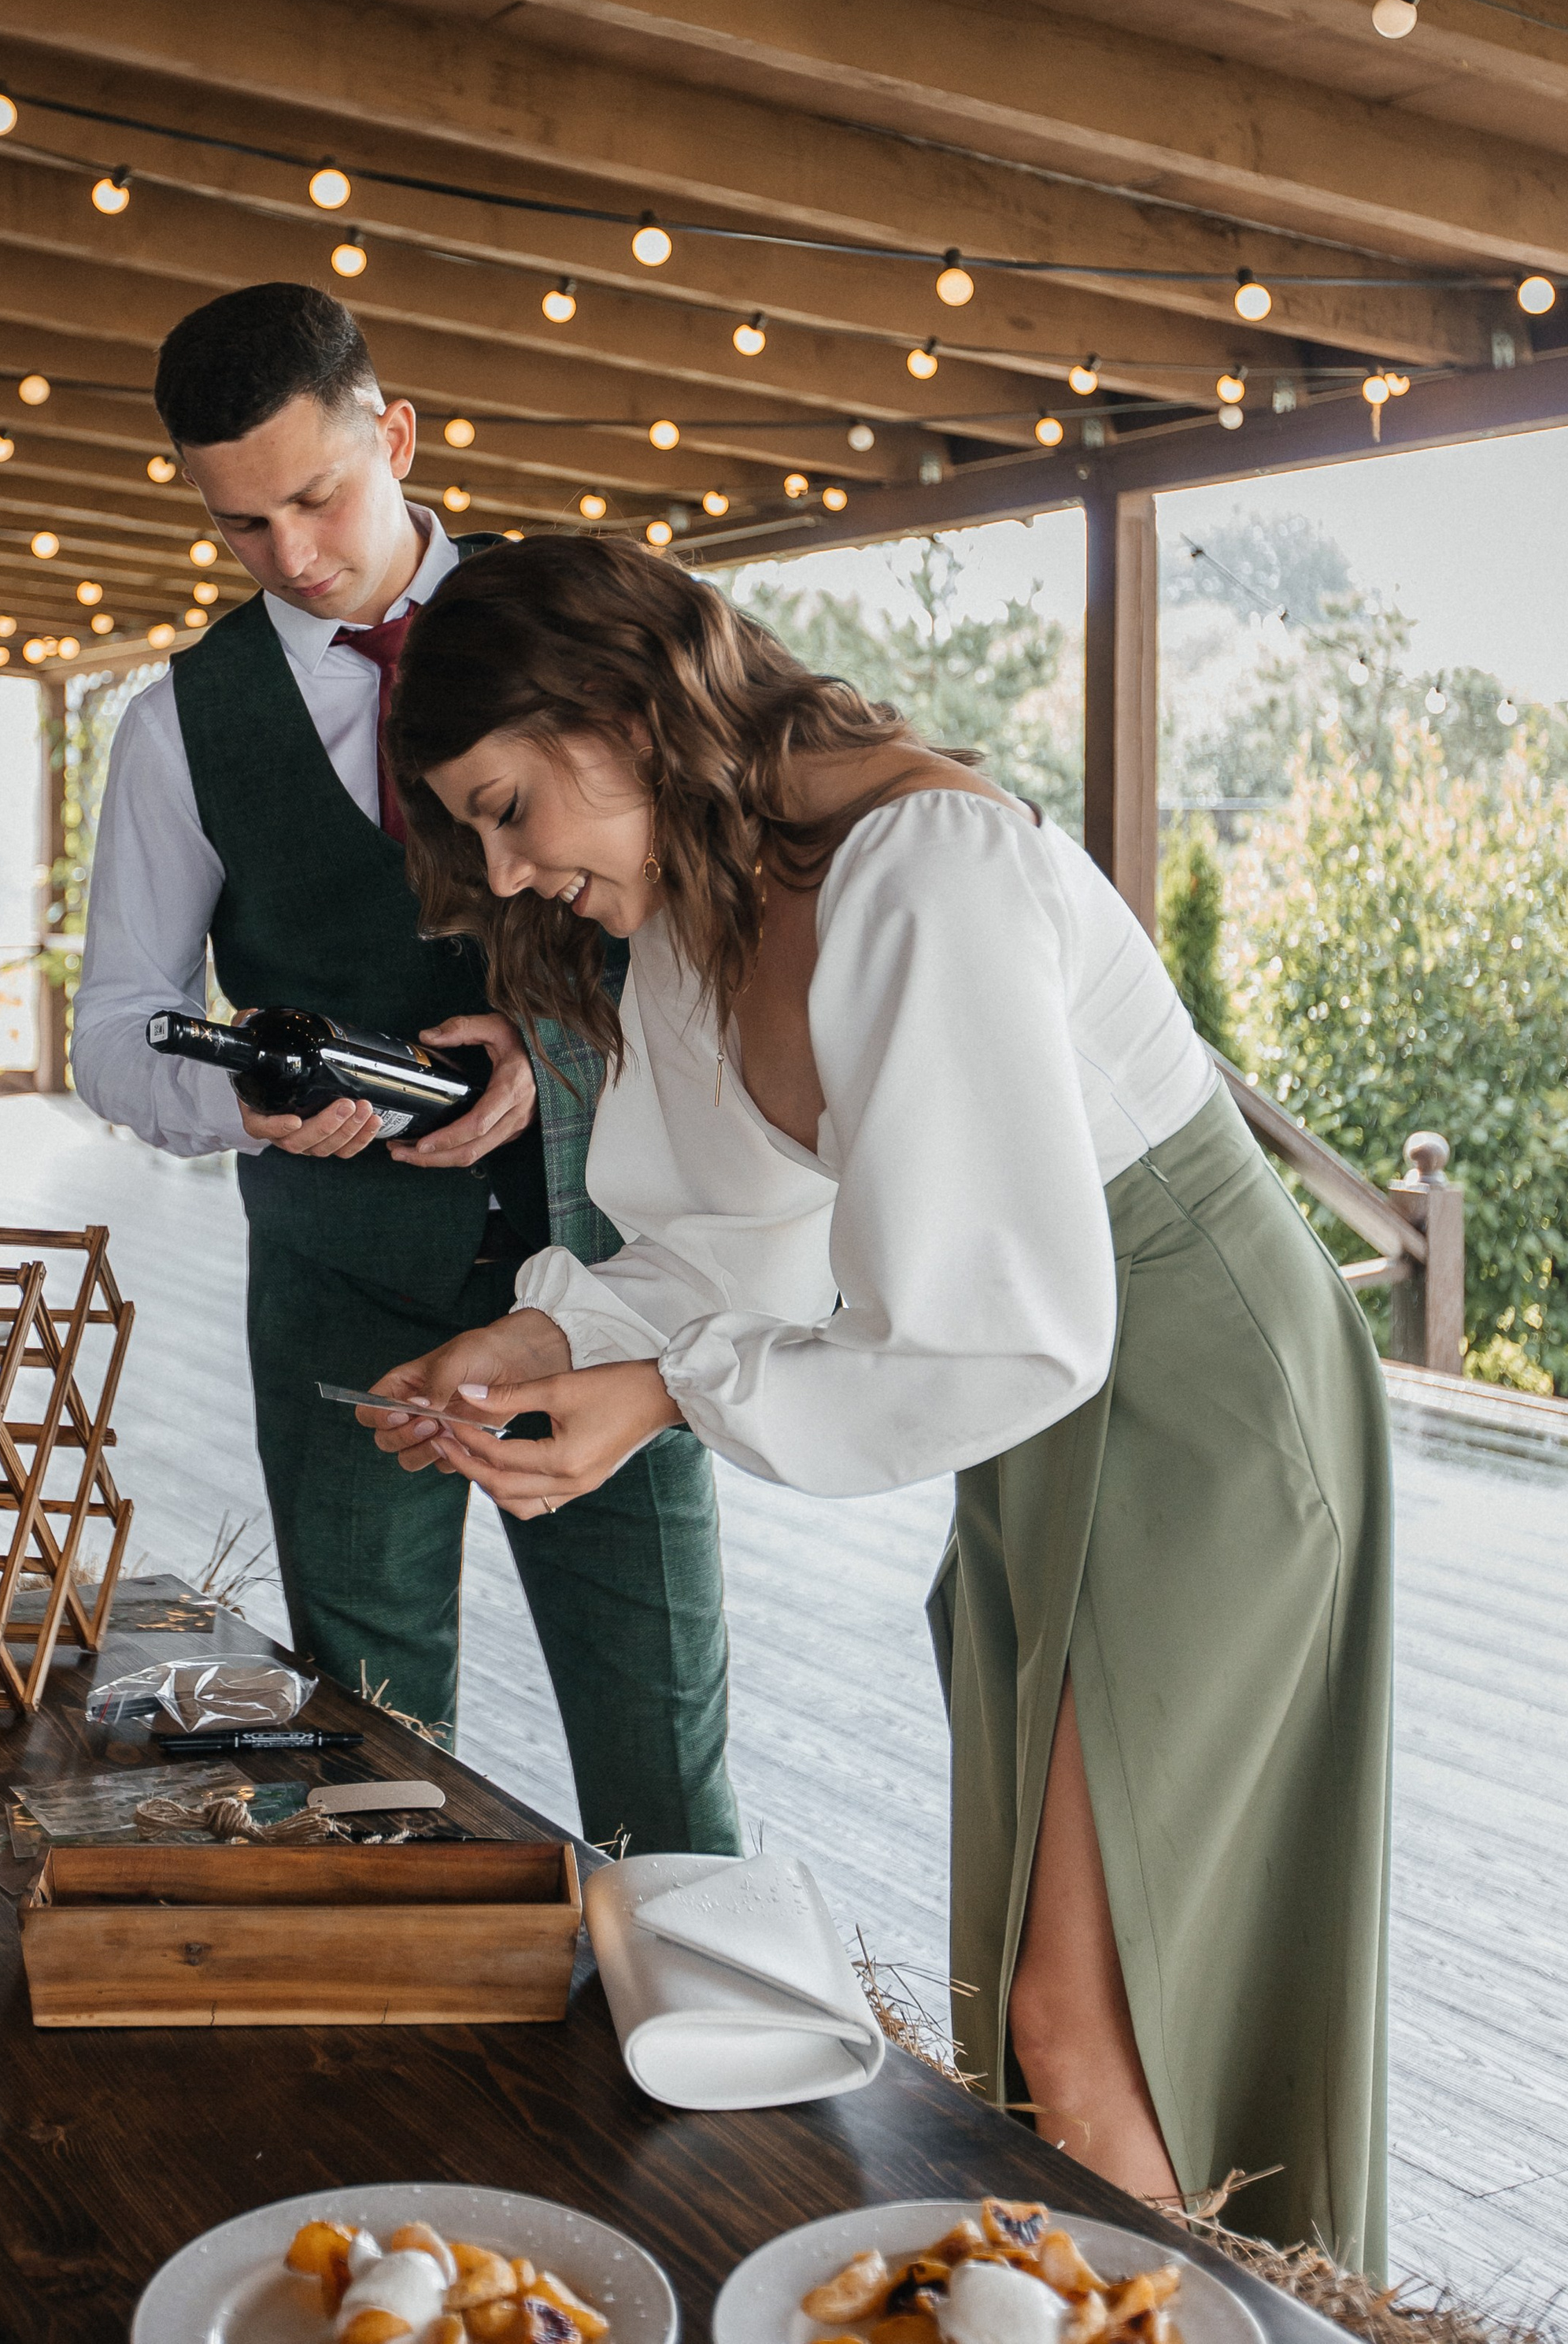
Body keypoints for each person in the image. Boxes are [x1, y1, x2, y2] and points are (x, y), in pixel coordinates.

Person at [362, 533, 1391, 2271]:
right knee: (1041, 2003)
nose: (509, 867)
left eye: (510, 804)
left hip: (1193, 1401)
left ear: (619, 712)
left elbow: (1003, 1327)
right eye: (475, 833)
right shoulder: (696, 912)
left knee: (1087, 2013)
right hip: (1034, 1420)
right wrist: (549, 1345)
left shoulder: (924, 868)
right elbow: (718, 1246)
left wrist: (666, 1400)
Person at [72, 287, 739, 1857]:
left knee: (663, 1748)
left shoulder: (584, 625)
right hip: (340, 1285)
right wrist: (242, 1100)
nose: (291, 557)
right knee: (367, 1754)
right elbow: (113, 1031)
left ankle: (700, 2052)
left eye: (317, 496)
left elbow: (712, 917)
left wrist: (554, 1053)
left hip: (613, 1274)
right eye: (243, 525)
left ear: (397, 434)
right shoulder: (177, 725)